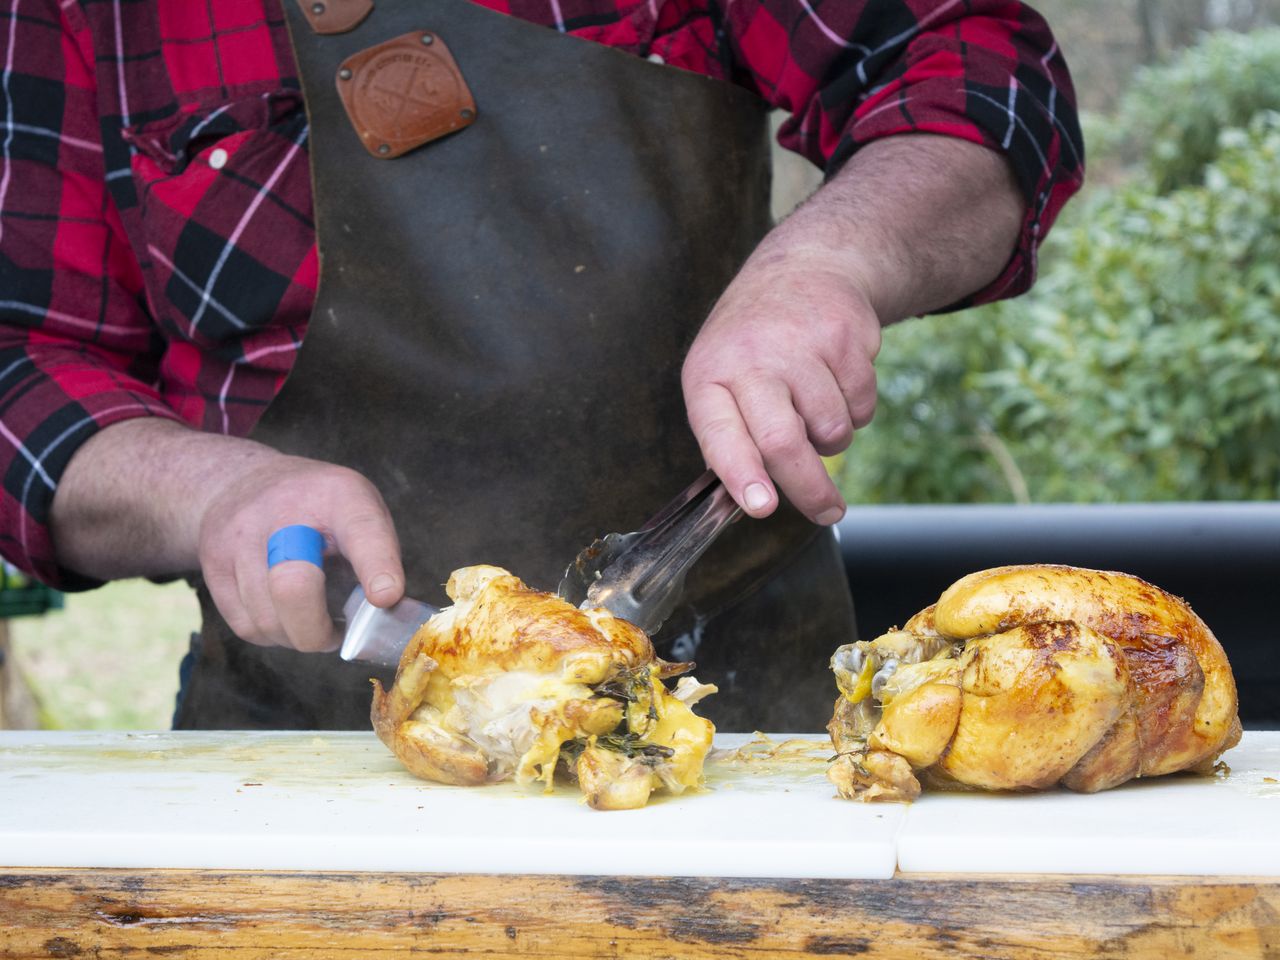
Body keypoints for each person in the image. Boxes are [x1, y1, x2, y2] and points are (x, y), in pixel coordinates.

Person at [0, 0, 1082, 730]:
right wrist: (215, 490)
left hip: (738, 722)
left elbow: (971, 63)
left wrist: (826, 262)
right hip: (295, 746)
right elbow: (25, 365)